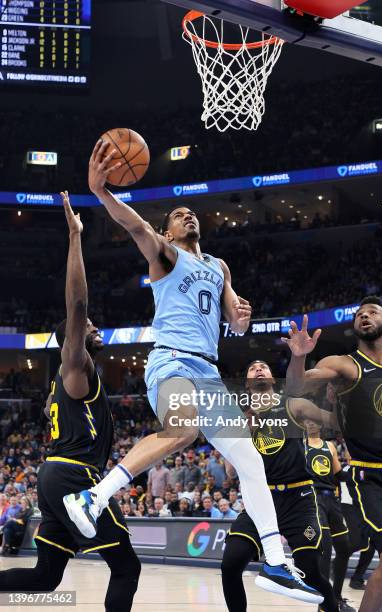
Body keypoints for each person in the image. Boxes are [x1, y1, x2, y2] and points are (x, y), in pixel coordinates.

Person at [63, 140, 323, 603]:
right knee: (181, 430)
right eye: (179, 214)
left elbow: (235, 322)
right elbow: (136, 226)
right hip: (172, 359)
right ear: (168, 229)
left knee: (250, 461)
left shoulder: (218, 265)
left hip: (208, 370)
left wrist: (241, 316)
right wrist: (102, 195)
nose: (189, 216)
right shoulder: (164, 254)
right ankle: (93, 497)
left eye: (192, 213)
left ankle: (277, 563)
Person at [0, 193, 141, 612]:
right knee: (127, 568)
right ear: (73, 340)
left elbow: (51, 409)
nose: (96, 329)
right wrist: (76, 237)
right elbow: (77, 304)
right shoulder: (77, 367)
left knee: (46, 577)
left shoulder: (67, 384)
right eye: (89, 328)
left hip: (53, 476)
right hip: (73, 479)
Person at [283, 297, 382, 612]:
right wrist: (299, 358)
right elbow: (296, 387)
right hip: (373, 477)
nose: (364, 315)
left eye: (373, 312)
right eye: (359, 313)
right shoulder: (344, 364)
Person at [221, 360, 339, 612]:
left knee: (311, 570)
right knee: (230, 564)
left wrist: (339, 399)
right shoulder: (240, 421)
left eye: (264, 366)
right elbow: (230, 472)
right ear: (247, 383)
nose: (259, 369)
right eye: (253, 368)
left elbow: (335, 421)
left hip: (299, 498)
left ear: (274, 379)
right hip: (260, 499)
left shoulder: (294, 405)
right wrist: (243, 436)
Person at [304, 420, 354, 611]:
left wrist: (357, 470)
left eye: (315, 420)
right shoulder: (301, 447)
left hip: (332, 500)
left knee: (344, 547)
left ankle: (337, 597)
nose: (311, 423)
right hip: (313, 500)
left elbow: (339, 474)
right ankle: (324, 604)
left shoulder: (330, 446)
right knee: (325, 550)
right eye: (307, 420)